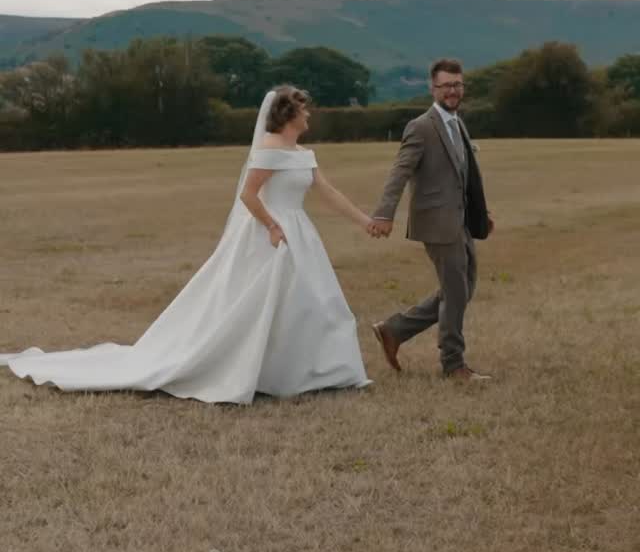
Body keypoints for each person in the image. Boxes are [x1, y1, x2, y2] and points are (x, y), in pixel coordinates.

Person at [0, 87, 372, 403]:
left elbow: (328, 192)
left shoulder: (303, 154)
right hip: (269, 235)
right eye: (304, 110)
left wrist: (364, 221)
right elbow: (249, 194)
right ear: (289, 115)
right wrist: (272, 226)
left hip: (300, 233)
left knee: (314, 302)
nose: (309, 116)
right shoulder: (270, 149)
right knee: (261, 306)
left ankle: (318, 370)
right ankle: (264, 371)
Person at [369, 58, 494, 381]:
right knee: (455, 292)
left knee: (462, 289)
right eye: (446, 85)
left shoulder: (457, 122)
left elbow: (465, 177)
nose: (453, 91)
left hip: (461, 220)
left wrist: (481, 213)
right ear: (433, 88)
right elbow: (400, 171)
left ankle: (393, 330)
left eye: (457, 85)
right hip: (437, 223)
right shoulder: (422, 126)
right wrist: (384, 213)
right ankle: (453, 365)